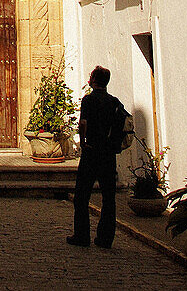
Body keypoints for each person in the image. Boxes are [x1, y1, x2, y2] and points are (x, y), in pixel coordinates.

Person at [67, 65, 127, 249]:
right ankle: (105, 238)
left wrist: (83, 141)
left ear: (93, 80)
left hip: (92, 152)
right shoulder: (115, 102)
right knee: (108, 198)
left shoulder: (89, 100)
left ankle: (82, 235)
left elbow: (83, 122)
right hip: (108, 154)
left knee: (82, 195)